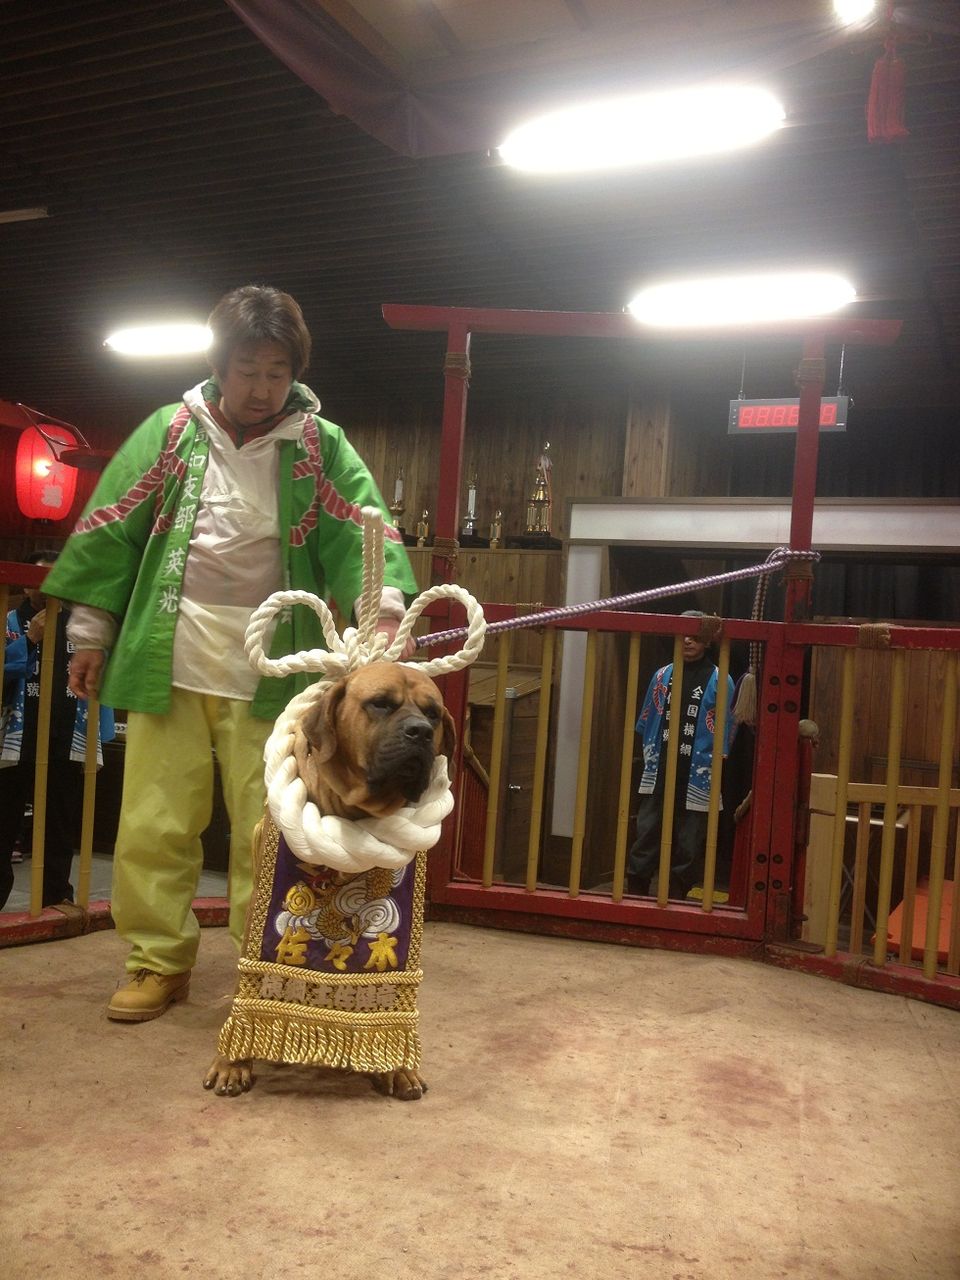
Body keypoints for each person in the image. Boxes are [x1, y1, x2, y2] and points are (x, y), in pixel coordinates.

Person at [42, 284, 418, 1021]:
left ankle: (268, 965)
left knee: (271, 830)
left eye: (277, 371)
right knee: (154, 824)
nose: (261, 387)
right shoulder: (170, 431)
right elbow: (113, 532)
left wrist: (383, 612)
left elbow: (362, 533)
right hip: (168, 660)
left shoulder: (320, 445)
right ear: (221, 365)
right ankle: (157, 962)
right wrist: (90, 637)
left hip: (276, 675)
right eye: (248, 369)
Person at [0, 550, 115, 913]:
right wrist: (30, 639)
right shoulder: (8, 620)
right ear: (25, 583)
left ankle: (56, 895)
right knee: (4, 825)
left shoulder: (81, 629)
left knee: (61, 823)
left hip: (65, 738)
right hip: (14, 741)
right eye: (41, 580)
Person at [626, 611, 734, 900]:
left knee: (690, 840)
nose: (687, 641)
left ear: (707, 641)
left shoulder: (720, 679)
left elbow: (725, 728)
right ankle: (636, 887)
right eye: (683, 634)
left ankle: (678, 893)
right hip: (659, 765)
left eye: (695, 636)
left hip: (698, 772)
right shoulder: (662, 675)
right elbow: (646, 722)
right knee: (647, 830)